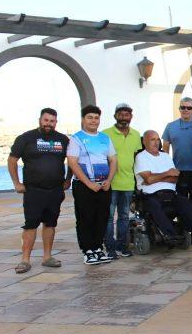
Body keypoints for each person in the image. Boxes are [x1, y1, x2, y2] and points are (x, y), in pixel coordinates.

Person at [9, 108, 71, 274]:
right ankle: (25, 260)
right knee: (30, 224)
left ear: (56, 122)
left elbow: (72, 160)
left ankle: (47, 257)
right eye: (46, 120)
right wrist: (16, 183)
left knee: (50, 223)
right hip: (33, 190)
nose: (48, 124)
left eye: (52, 121)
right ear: (40, 120)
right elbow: (12, 160)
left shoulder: (63, 139)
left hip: (55, 190)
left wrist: (68, 179)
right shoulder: (26, 138)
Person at [135, 130, 192, 243]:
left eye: (157, 139)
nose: (156, 142)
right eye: (152, 140)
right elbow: (149, 179)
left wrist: (155, 177)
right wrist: (166, 173)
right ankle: (170, 234)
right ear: (144, 142)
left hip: (170, 194)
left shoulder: (165, 156)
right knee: (154, 206)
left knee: (184, 202)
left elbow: (174, 178)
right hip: (150, 196)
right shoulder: (141, 157)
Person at [67, 105, 118, 265]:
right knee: (85, 218)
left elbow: (113, 160)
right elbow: (72, 162)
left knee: (102, 217)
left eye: (96, 118)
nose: (93, 121)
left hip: (103, 186)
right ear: (83, 119)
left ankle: (97, 248)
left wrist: (109, 181)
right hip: (84, 186)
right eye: (90, 117)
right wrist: (89, 183)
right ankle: (88, 250)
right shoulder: (76, 139)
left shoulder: (105, 138)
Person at [102, 103, 141, 259]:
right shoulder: (105, 134)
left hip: (128, 183)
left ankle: (122, 246)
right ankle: (110, 248)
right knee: (109, 217)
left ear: (131, 117)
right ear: (115, 116)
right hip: (110, 183)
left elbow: (137, 158)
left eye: (127, 114)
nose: (123, 117)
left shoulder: (136, 135)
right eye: (120, 114)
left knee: (124, 216)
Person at [162, 97, 192, 212]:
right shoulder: (170, 126)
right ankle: (183, 229)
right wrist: (168, 168)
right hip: (178, 171)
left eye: (189, 107)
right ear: (179, 109)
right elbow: (165, 148)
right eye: (183, 107)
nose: (186, 110)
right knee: (180, 203)